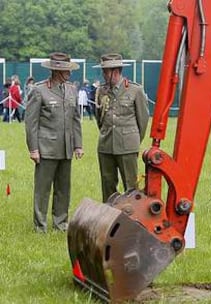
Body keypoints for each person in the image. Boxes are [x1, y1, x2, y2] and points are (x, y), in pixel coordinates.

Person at [25, 52, 83, 233]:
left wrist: (78, 145)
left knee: (63, 189)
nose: (69, 73)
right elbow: (31, 122)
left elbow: (75, 119)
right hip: (46, 148)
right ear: (56, 71)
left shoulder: (72, 89)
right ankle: (40, 226)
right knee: (43, 190)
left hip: (66, 148)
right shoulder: (39, 90)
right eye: (66, 70)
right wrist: (33, 149)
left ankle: (61, 224)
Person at [93, 53, 149, 202]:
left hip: (127, 146)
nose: (103, 74)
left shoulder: (135, 90)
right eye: (103, 71)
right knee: (107, 184)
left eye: (106, 71)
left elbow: (142, 120)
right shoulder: (101, 91)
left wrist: (133, 140)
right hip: (106, 145)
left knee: (130, 186)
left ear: (116, 71)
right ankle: (109, 216)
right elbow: (100, 118)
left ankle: (132, 216)